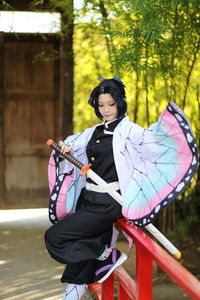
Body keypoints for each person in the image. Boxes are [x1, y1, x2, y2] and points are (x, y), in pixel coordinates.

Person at [44, 77, 198, 300]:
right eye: (101, 104)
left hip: (109, 203)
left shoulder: (130, 132)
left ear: (120, 103)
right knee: (81, 265)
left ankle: (104, 254)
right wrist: (65, 148)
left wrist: (171, 128)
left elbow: (154, 143)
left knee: (55, 238)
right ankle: (92, 265)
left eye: (111, 103)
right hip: (88, 200)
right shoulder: (93, 132)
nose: (106, 109)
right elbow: (71, 145)